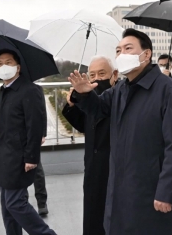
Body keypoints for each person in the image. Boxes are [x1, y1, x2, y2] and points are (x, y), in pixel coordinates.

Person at [68, 28, 172, 235]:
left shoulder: (167, 90)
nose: (122, 54)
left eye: (128, 48)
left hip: (152, 189)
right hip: (122, 187)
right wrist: (83, 94)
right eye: (118, 50)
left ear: (146, 54)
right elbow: (98, 109)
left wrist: (168, 191)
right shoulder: (121, 89)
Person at [0, 49, 56, 235]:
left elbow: (34, 127)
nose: (4, 66)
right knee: (7, 205)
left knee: (15, 202)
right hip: (5, 154)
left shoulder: (30, 90)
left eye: (9, 62)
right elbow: (4, 121)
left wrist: (31, 157)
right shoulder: (4, 91)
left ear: (18, 67)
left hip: (20, 156)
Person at [62, 55, 118, 235]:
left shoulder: (119, 97)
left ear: (114, 75)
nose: (96, 79)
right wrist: (72, 104)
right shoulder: (88, 98)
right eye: (92, 75)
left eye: (102, 74)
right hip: (93, 167)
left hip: (114, 167)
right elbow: (83, 125)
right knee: (92, 216)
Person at [34, 85, 49, 216]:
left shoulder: (36, 89)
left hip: (32, 134)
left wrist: (42, 133)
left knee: (36, 169)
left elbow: (42, 112)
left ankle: (42, 202)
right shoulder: (5, 89)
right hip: (14, 136)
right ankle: (23, 202)